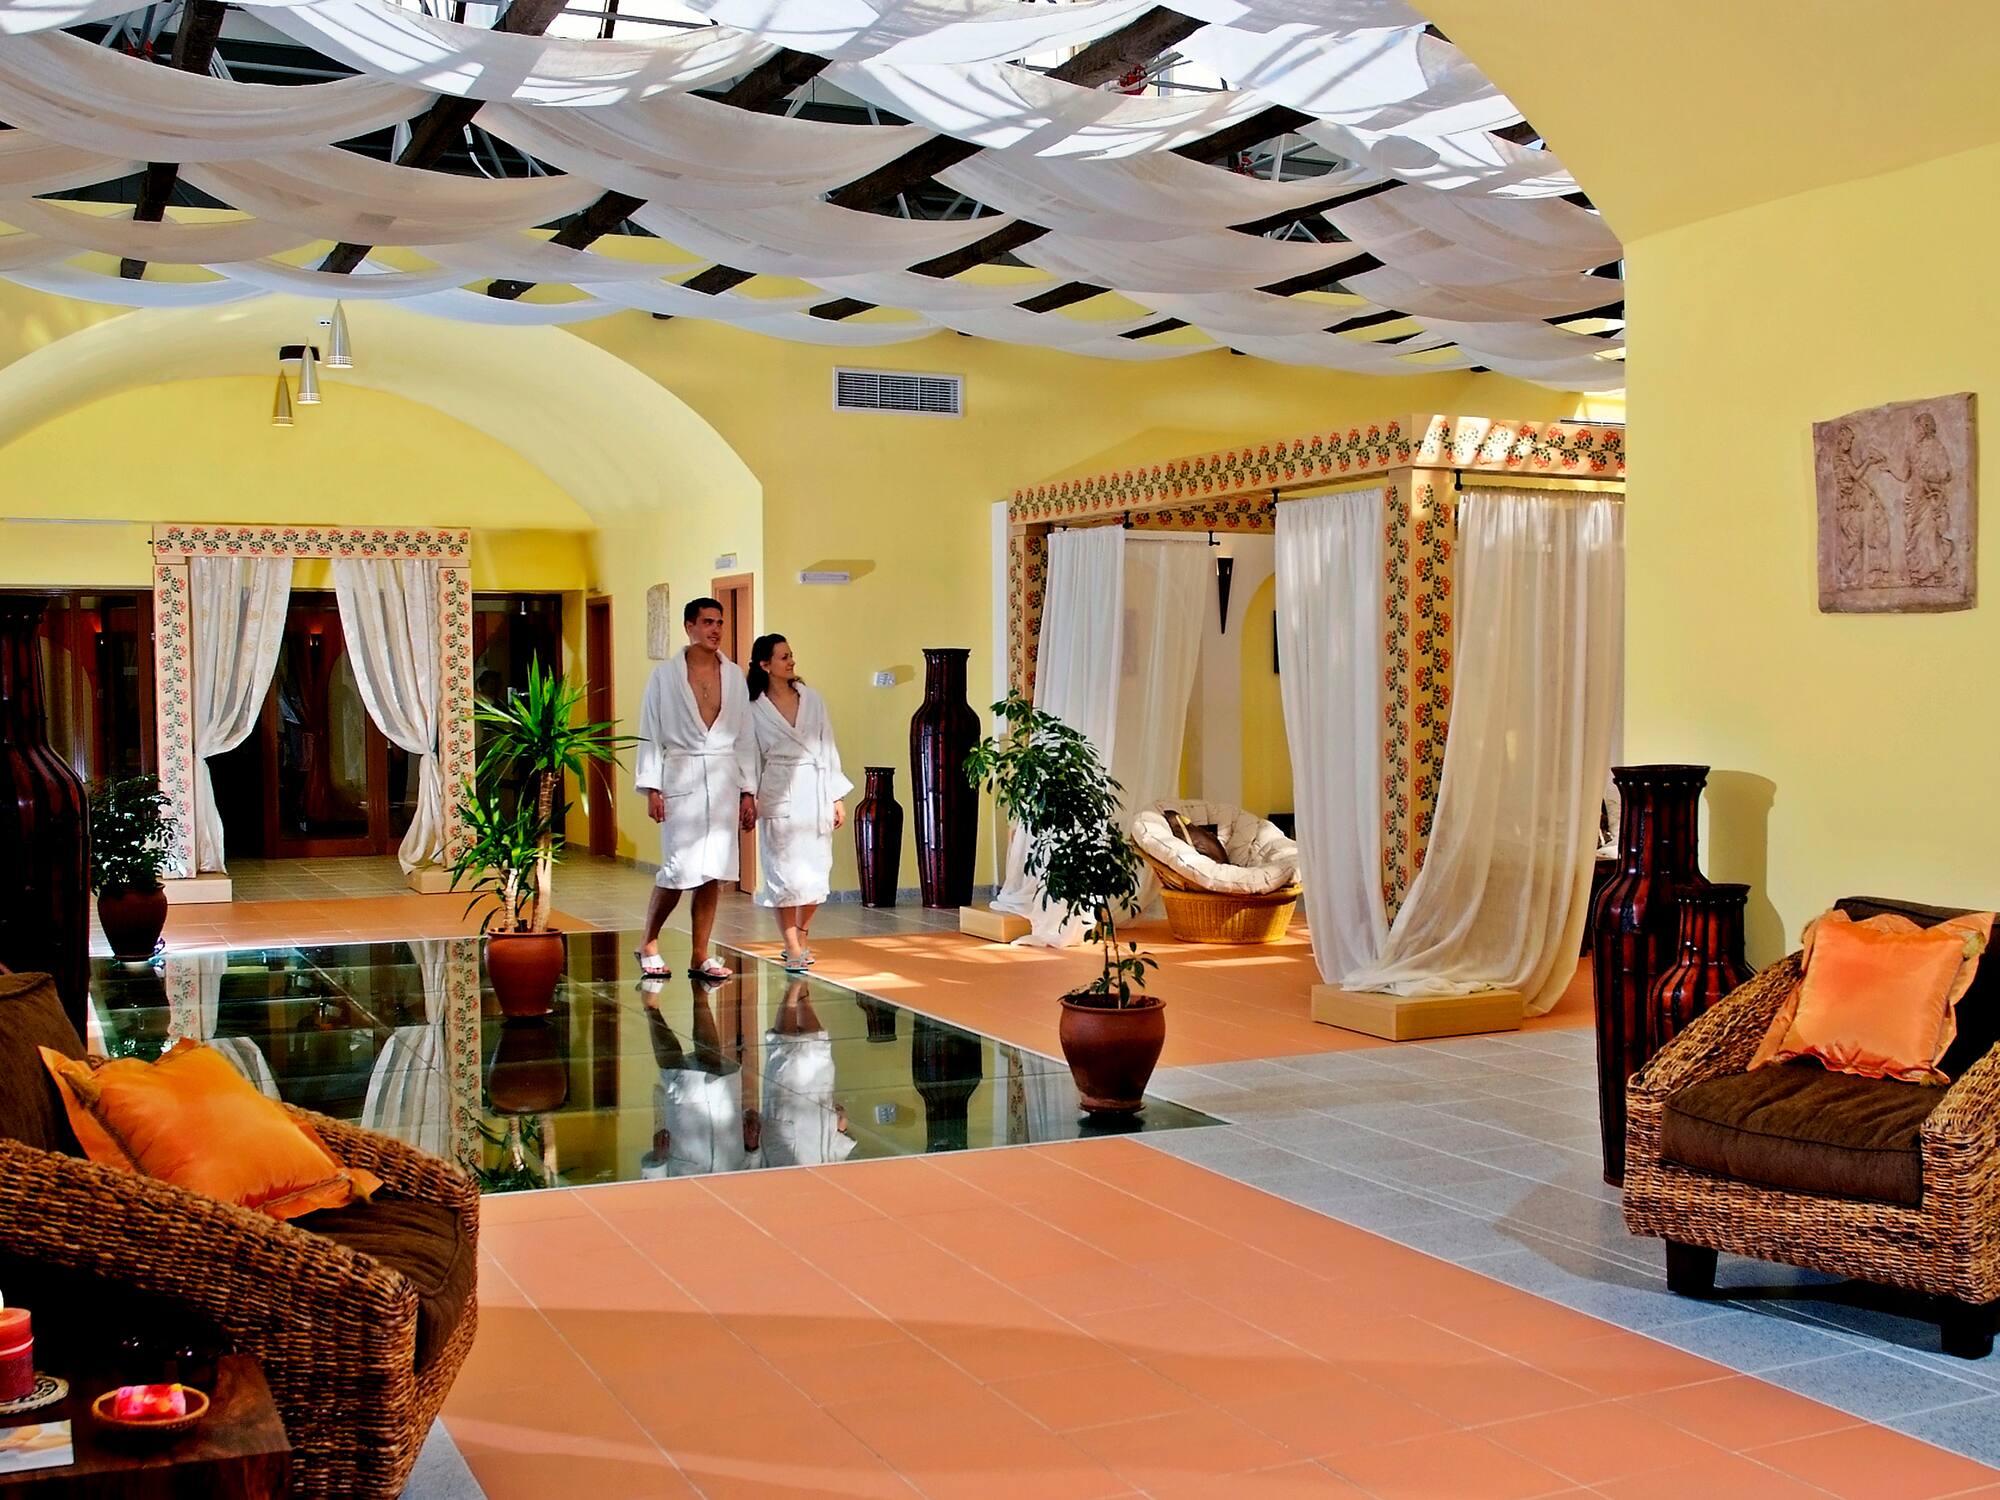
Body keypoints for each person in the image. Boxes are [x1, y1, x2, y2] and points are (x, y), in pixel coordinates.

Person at [634, 598, 756, 981]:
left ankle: (700, 954)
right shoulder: (665, 676)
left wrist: (748, 790)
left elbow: (746, 736)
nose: (715, 630)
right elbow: (650, 730)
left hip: (722, 777)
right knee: (677, 868)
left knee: (713, 872)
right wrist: (653, 786)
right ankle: (649, 942)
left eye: (720, 622)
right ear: (689, 626)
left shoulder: (734, 675)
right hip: (681, 776)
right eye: (707, 622)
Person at [745, 634, 851, 972]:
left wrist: (836, 795)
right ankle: (791, 946)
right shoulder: (753, 708)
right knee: (784, 875)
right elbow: (748, 756)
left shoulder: (812, 699)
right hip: (778, 790)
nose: (791, 662)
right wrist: (748, 795)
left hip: (815, 789)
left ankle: (801, 933)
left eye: (791, 655)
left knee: (816, 874)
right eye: (783, 657)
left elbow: (827, 744)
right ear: (765, 665)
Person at [760, 978, 857, 1168]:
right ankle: (799, 980)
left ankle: (793, 984)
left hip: (786, 1121)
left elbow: (754, 1165)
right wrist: (841, 1130)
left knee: (785, 1050)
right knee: (817, 1045)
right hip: (821, 1112)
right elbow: (838, 1158)